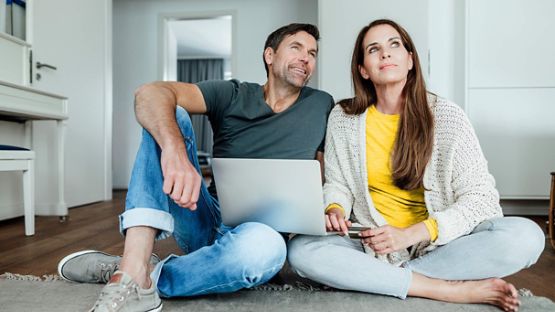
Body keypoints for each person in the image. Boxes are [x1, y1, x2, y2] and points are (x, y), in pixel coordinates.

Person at [57, 23, 334, 312]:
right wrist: (175, 153)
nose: (306, 58)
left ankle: (132, 275)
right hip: (205, 216)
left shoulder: (322, 105)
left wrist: (327, 210)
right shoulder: (233, 94)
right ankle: (134, 262)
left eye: (312, 53)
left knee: (267, 250)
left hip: (262, 235)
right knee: (168, 112)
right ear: (269, 55)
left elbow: (327, 172)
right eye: (296, 48)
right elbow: (149, 93)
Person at [287, 19, 544, 312]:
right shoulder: (342, 118)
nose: (385, 54)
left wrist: (414, 233)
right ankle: (443, 289)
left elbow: (482, 200)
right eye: (374, 49)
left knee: (527, 237)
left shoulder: (446, 117)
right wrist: (335, 208)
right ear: (363, 70)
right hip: (370, 244)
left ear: (410, 60)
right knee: (302, 250)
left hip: (439, 245)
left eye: (394, 45)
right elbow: (338, 184)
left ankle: (383, 279)